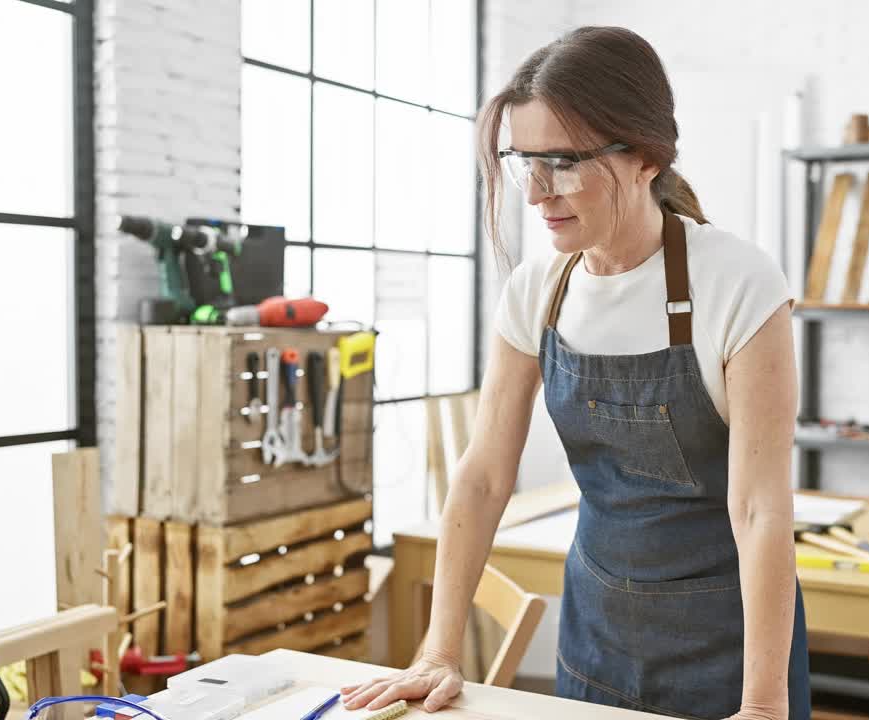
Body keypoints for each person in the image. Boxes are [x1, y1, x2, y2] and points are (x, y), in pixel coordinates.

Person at [342, 26, 810, 720]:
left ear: (645, 155)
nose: (535, 192)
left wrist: (765, 705)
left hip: (732, 652)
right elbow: (482, 477)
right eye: (522, 161)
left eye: (560, 161)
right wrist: (438, 651)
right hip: (596, 638)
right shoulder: (538, 290)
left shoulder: (737, 283)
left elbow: (759, 509)